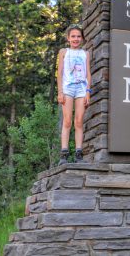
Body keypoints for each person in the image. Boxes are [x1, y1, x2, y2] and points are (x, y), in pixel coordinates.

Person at [57, 24, 92, 165]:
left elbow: (88, 74)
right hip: (67, 89)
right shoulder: (64, 52)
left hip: (81, 90)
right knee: (67, 121)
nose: (76, 39)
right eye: (73, 36)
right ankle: (64, 154)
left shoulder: (85, 53)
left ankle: (79, 154)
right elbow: (59, 73)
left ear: (82, 38)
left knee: (78, 121)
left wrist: (88, 92)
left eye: (78, 36)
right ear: (68, 38)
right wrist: (60, 91)